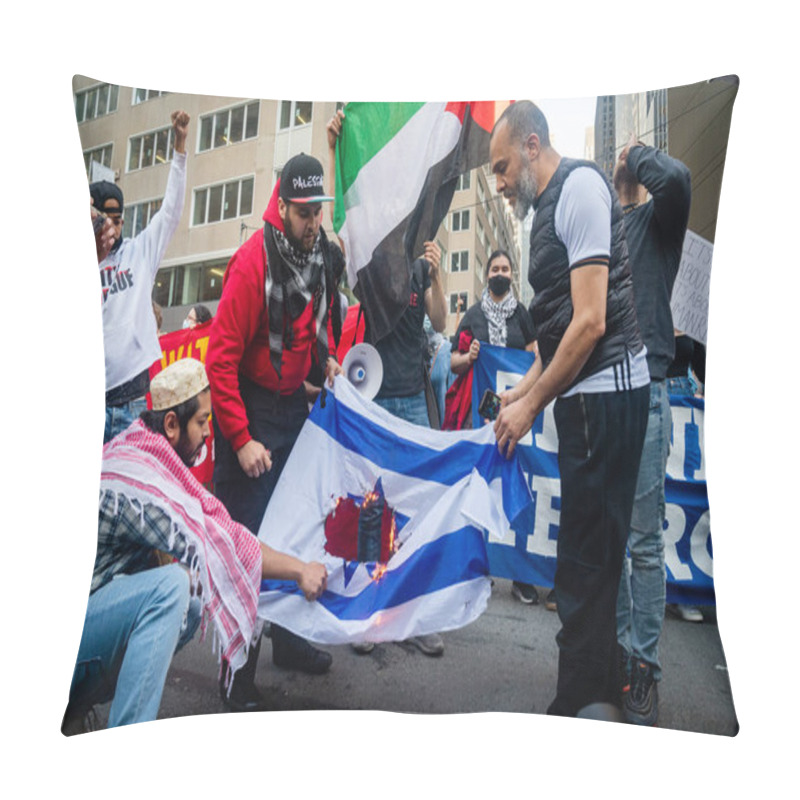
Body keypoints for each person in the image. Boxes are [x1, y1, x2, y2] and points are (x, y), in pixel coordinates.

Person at [490, 101, 650, 719]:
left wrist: (531, 403)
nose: (500, 183)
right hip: (590, 400)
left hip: (609, 396)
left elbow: (591, 322)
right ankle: (597, 694)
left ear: (533, 146)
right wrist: (523, 386)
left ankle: (582, 704)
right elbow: (560, 333)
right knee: (586, 562)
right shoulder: (542, 217)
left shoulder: (581, 187)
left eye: (503, 167)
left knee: (585, 567)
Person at [63, 359, 327, 732]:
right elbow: (223, 540)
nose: (208, 432)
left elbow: (215, 527)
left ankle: (75, 709)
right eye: (202, 421)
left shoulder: (142, 448)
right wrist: (300, 569)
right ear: (171, 424)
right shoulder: (143, 480)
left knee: (187, 605)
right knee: (171, 588)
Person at [205, 149, 344, 709]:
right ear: (283, 206)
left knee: (295, 534)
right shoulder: (250, 263)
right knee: (250, 544)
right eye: (305, 212)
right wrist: (240, 441)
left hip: (291, 409)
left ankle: (289, 642)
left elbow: (305, 334)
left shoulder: (313, 256)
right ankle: (235, 673)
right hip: (251, 409)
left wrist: (326, 362)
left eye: (319, 212)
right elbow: (219, 359)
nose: (314, 223)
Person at [328, 111, 448, 656]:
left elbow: (442, 322)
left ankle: (413, 617)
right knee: (374, 504)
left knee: (416, 506)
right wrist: (336, 153)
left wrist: (439, 274)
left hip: (414, 400)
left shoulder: (423, 265)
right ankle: (371, 611)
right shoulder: (373, 262)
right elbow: (343, 229)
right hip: (378, 398)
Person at [612, 136, 692, 725]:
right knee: (614, 541)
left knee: (642, 544)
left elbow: (679, 182)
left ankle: (644, 670)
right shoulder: (611, 231)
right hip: (607, 399)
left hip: (650, 391)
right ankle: (618, 656)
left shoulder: (662, 225)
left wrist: (635, 155)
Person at [94, 110, 190, 444]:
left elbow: (171, 212)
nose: (111, 229)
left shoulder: (139, 253)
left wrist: (179, 147)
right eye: (102, 221)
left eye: (117, 220)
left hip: (130, 402)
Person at [450, 249, 538, 604]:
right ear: (486, 274)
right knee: (481, 487)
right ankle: (477, 566)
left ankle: (520, 574)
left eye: (505, 268)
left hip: (519, 413)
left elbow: (536, 356)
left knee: (518, 485)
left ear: (511, 274)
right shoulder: (471, 316)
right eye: (495, 268)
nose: (500, 273)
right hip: (481, 414)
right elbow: (453, 362)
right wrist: (467, 357)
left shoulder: (523, 315)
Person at [665, 329, 707, 624]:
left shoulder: (689, 306)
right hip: (651, 395)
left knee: (682, 497)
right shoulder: (645, 295)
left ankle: (680, 590)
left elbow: (704, 360)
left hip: (684, 406)